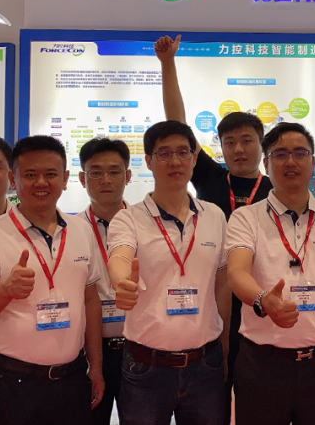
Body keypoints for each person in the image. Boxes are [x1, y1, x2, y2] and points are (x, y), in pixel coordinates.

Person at [155, 33, 274, 383]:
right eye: (229, 142)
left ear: (261, 145)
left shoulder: (275, 191)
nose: (238, 150)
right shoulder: (210, 176)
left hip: (260, 298)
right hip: (211, 295)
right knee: (214, 388)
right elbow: (178, 125)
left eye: (247, 141)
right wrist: (167, 63)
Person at [226, 122, 315, 424]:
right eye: (280, 154)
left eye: (300, 153)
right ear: (266, 164)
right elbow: (236, 272)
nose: (291, 161)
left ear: (312, 162)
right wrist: (263, 299)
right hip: (262, 365)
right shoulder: (245, 218)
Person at [0, 135, 105, 425]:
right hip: (11, 381)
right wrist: (6, 289)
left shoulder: (82, 230)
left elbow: (91, 301)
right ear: (13, 180)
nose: (41, 182)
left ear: (65, 179)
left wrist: (96, 366)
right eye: (30, 175)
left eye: (50, 174)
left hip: (71, 378)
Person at [106, 120, 231, 424]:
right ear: (149, 161)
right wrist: (121, 282)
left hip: (206, 363)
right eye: (164, 153)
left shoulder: (214, 215)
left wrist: (225, 346)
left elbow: (222, 283)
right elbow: (120, 255)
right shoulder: (128, 219)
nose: (175, 161)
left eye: (183, 152)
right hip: (146, 366)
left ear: (194, 157)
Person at [76, 137, 133, 425]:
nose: (106, 180)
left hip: (138, 349)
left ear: (128, 176)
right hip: (88, 350)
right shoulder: (71, 231)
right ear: (82, 178)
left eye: (114, 171)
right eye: (96, 172)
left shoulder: (147, 226)